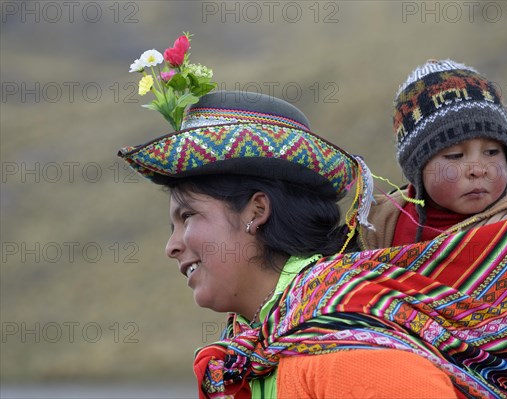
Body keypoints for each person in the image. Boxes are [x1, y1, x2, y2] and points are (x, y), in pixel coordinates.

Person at [119, 91, 459, 398]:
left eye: (188, 216)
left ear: (257, 211)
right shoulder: (262, 344)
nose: (172, 246)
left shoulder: (344, 341)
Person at [360, 59, 507, 397]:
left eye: (491, 152)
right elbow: (353, 297)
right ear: (418, 168)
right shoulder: (384, 222)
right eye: (455, 156)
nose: (478, 169)